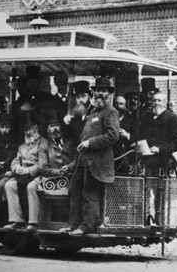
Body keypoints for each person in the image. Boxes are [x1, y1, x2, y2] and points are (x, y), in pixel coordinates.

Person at [62, 77, 119, 236]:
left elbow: (113, 136)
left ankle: (87, 226)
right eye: (98, 90)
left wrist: (90, 143)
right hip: (83, 159)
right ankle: (74, 225)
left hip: (98, 161)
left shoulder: (110, 112)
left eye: (104, 91)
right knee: (75, 189)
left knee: (89, 192)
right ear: (93, 92)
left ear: (108, 94)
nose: (100, 94)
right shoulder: (92, 111)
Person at [19, 111, 76, 231]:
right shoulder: (44, 144)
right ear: (47, 129)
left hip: (69, 176)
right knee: (31, 187)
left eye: (57, 125)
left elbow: (77, 159)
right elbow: (43, 168)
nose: (55, 129)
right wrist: (59, 172)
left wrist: (69, 167)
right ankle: (33, 222)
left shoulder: (69, 142)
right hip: (49, 177)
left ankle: (73, 223)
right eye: (51, 126)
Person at [3, 113, 44, 230]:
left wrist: (28, 170)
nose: (28, 132)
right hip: (22, 174)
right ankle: (17, 220)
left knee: (31, 187)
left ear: (36, 128)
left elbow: (44, 164)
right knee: (9, 185)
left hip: (39, 174)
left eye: (31, 129)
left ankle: (33, 222)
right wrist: (16, 168)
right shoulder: (22, 146)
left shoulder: (44, 143)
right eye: (26, 129)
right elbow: (15, 161)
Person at [138, 92, 177, 171]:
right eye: (154, 101)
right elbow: (141, 135)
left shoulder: (172, 118)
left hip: (163, 160)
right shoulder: (146, 118)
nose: (156, 103)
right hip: (145, 159)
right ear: (151, 102)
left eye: (159, 100)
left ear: (165, 103)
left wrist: (159, 149)